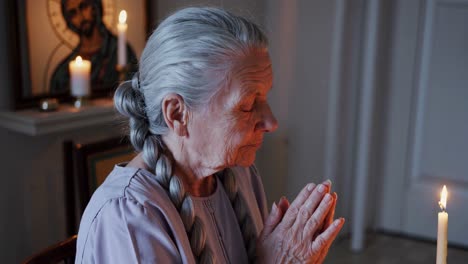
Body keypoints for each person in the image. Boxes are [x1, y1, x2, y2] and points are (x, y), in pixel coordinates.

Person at [76, 7, 344, 263]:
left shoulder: (240, 175)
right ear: (178, 114)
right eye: (248, 105)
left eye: (265, 97)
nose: (271, 122)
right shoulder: (127, 217)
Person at [49, 0, 137, 95]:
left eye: (84, 7)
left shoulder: (118, 50)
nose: (81, 16)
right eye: (73, 13)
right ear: (68, 21)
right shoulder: (63, 72)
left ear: (95, 6)